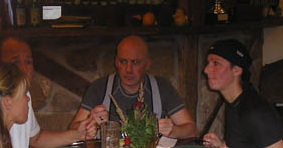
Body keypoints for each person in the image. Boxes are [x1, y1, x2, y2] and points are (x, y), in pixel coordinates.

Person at [203, 39, 283, 148]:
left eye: (216, 64)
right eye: (208, 63)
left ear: (237, 70)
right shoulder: (234, 101)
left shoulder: (255, 111)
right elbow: (251, 147)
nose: (207, 70)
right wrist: (221, 145)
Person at [70, 35, 198, 139]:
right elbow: (73, 129)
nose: (128, 69)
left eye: (135, 62)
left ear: (147, 64)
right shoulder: (100, 87)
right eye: (123, 61)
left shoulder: (162, 87)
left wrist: (173, 131)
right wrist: (90, 123)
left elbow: (191, 130)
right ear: (116, 62)